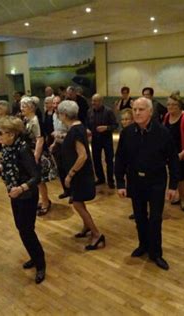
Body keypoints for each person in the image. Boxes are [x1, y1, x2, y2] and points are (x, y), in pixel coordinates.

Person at [115, 97, 179, 270]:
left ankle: (156, 253)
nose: (137, 113)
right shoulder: (127, 133)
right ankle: (143, 245)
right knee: (140, 217)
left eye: (141, 109)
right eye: (135, 109)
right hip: (135, 181)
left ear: (150, 112)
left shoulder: (163, 133)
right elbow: (120, 159)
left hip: (156, 181)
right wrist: (120, 183)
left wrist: (173, 186)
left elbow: (173, 160)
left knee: (155, 218)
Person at [0, 116, 46, 284]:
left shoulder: (22, 149)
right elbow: (10, 164)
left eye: (1, 133)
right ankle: (34, 257)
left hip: (26, 195)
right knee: (21, 228)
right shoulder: (8, 148)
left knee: (27, 230)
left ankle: (41, 264)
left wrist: (21, 188)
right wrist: (1, 166)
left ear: (12, 134)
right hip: (15, 194)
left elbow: (36, 176)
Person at [58, 100, 105, 250]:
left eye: (59, 114)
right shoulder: (77, 128)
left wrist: (70, 174)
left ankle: (97, 235)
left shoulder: (76, 130)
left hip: (80, 175)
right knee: (80, 202)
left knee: (77, 204)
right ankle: (87, 227)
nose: (59, 116)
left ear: (64, 114)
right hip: (80, 174)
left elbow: (83, 155)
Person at [21, 96, 55, 216]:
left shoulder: (35, 120)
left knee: (40, 180)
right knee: (37, 181)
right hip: (30, 152)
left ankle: (45, 202)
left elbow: (40, 140)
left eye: (24, 106)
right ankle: (44, 200)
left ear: (31, 108)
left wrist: (35, 157)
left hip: (37, 153)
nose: (22, 108)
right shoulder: (27, 119)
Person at [163, 93, 184, 211]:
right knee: (173, 175)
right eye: (168, 104)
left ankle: (183, 199)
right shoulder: (167, 116)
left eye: (173, 105)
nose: (170, 107)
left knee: (181, 177)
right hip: (170, 153)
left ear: (179, 105)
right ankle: (177, 195)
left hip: (181, 153)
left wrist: (183, 153)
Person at [87, 94, 118, 188]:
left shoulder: (108, 111)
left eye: (95, 101)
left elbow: (115, 125)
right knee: (96, 160)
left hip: (106, 139)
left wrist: (106, 128)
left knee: (109, 160)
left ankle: (110, 180)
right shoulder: (89, 112)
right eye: (92, 100)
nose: (93, 103)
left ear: (101, 101)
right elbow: (87, 124)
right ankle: (100, 178)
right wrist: (87, 130)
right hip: (95, 139)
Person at [50, 96, 70, 200]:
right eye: (54, 103)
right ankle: (66, 191)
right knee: (61, 169)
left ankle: (74, 193)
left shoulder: (66, 116)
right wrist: (54, 143)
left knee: (69, 169)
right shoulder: (54, 115)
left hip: (67, 145)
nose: (55, 105)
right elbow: (56, 131)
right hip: (58, 145)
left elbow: (72, 133)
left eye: (57, 103)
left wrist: (61, 135)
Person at [119, 108, 135, 220]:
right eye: (123, 119)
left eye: (127, 119)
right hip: (129, 167)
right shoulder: (123, 133)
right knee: (133, 190)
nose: (124, 122)